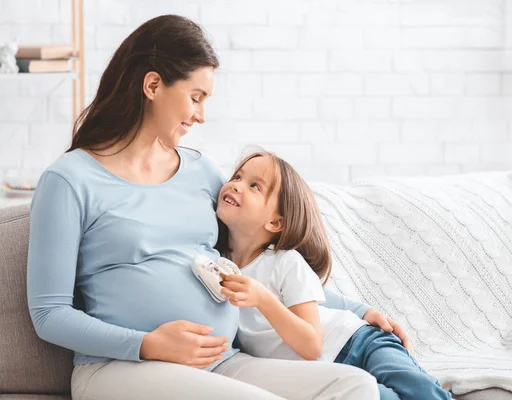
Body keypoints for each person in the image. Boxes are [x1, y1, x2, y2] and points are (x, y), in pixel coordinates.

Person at [27, 14, 383, 400]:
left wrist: (359, 310)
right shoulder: (69, 180)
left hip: (220, 362)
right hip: (120, 368)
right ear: (152, 85)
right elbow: (50, 315)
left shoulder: (203, 172)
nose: (201, 115)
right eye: (195, 97)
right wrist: (147, 343)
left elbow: (258, 263)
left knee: (355, 386)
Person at [215, 150, 452, 400]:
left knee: (421, 392)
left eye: (255, 186)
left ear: (276, 222)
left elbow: (311, 343)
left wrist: (263, 299)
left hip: (359, 341)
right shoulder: (216, 262)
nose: (236, 185)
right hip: (331, 376)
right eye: (238, 176)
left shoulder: (285, 262)